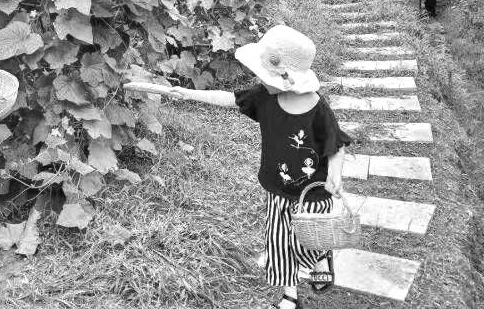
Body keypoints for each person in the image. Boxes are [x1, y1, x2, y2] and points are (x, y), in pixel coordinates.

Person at [125, 25, 351, 309]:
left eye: (264, 75)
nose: (259, 79)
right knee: (279, 244)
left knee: (308, 239)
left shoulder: (318, 109)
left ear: (288, 78)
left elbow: (336, 145)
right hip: (277, 191)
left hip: (313, 195)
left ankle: (319, 257)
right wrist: (188, 94)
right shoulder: (264, 96)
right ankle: (289, 296)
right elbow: (229, 99)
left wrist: (335, 173)